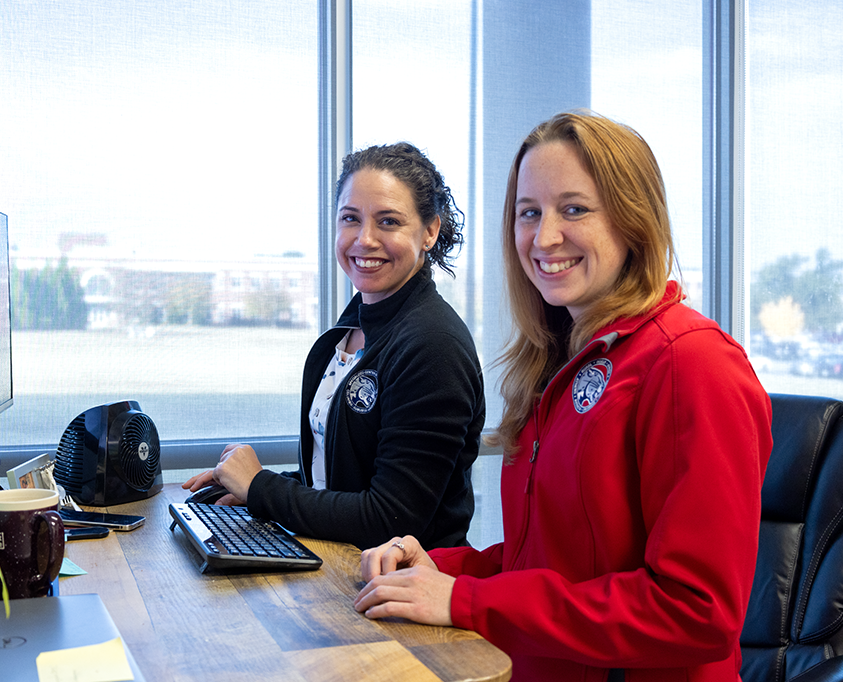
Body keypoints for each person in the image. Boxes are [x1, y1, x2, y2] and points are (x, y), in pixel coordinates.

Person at [354, 112, 772, 681]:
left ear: (633, 221)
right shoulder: (561, 363)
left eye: (574, 209)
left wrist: (467, 602)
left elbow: (696, 613)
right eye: (529, 213)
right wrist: (442, 569)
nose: (544, 237)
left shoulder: (689, 362)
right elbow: (552, 563)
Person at [183, 142, 485, 550]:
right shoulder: (355, 326)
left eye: (389, 221)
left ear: (430, 230)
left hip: (403, 594)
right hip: (342, 573)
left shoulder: (433, 346)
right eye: (350, 219)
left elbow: (389, 518)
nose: (365, 239)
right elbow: (344, 482)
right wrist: (254, 489)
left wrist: (262, 489)